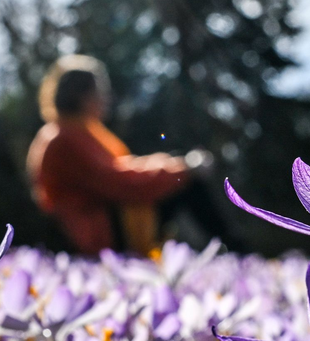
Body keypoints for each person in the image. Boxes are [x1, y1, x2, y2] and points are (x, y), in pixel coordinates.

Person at [27, 55, 192, 256]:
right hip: (96, 235)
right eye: (101, 91)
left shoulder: (79, 130)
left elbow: (125, 167)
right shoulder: (63, 138)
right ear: (82, 96)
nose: (107, 98)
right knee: (187, 184)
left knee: (180, 176)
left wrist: (178, 164)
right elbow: (120, 182)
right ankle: (232, 245)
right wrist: (184, 169)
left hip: (102, 224)